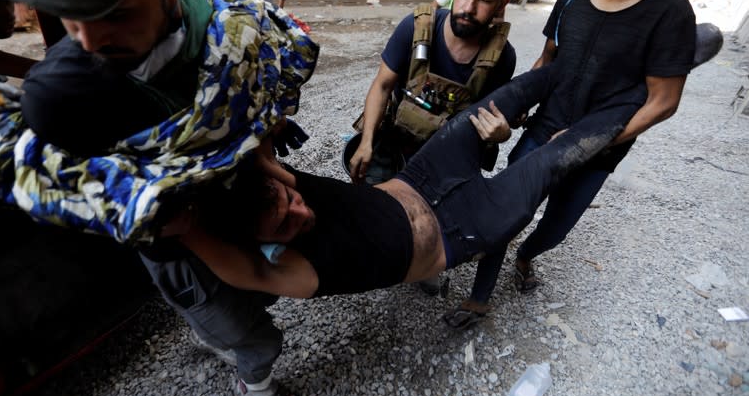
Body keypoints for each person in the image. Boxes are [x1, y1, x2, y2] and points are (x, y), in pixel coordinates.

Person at [0, 0, 318, 396]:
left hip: (243, 203)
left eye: (112, 11)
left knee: (257, 288)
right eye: (68, 11)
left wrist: (260, 153)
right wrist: (138, 205)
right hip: (177, 245)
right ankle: (254, 385)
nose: (87, 40)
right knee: (254, 337)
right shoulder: (63, 91)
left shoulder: (214, 14)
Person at [453, 0, 707, 328]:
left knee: (554, 229)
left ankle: (528, 257)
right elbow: (547, 59)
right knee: (508, 214)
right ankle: (479, 298)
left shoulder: (671, 13)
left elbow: (663, 101)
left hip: (597, 151)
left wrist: (588, 141)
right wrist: (520, 106)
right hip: (541, 132)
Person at [163, 67, 643, 301]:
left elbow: (252, 140)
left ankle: (587, 63)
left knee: (496, 103)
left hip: (423, 178)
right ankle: (635, 90)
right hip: (466, 229)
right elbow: (238, 267)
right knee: (554, 158)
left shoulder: (276, 184)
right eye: (287, 226)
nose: (301, 211)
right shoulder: (292, 270)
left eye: (291, 199)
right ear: (264, 245)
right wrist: (186, 227)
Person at [348, 0, 520, 185]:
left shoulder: (502, 58)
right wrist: (366, 142)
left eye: (484, 0)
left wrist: (501, 133)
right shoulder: (415, 28)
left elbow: (488, 120)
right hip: (396, 141)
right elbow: (383, 85)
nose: (468, 8)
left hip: (445, 160)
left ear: (502, 4)